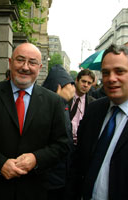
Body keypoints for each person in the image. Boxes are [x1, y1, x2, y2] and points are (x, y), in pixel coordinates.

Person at [0, 42, 69, 200]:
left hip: (34, 189)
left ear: (39, 68)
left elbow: (63, 144)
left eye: (32, 62)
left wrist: (36, 159)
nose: (25, 67)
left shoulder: (53, 102)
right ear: (10, 62)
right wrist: (0, 163)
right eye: (20, 60)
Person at [66, 44, 128, 199]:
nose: (111, 78)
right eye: (106, 73)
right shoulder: (93, 110)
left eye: (120, 71)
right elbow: (78, 163)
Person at [42, 64, 75, 200]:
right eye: (70, 85)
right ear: (59, 86)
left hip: (59, 177)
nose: (73, 89)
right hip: (52, 179)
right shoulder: (57, 107)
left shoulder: (62, 105)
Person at [69, 69, 96, 144]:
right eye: (83, 81)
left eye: (89, 83)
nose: (86, 85)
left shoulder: (92, 103)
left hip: (81, 143)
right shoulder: (67, 96)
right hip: (64, 143)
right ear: (76, 80)